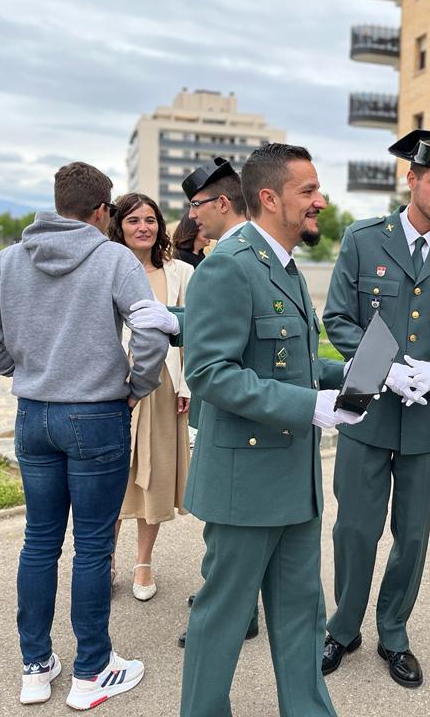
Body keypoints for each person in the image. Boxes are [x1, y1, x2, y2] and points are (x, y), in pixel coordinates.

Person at [0, 162, 169, 709]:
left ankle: (35, 667)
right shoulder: (113, 257)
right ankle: (92, 670)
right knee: (93, 546)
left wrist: (25, 371)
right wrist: (138, 384)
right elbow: (150, 329)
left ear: (57, 203)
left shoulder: (9, 259)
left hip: (34, 414)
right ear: (103, 212)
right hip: (96, 414)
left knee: (39, 541)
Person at [178, 143, 364, 717]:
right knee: (224, 617)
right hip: (244, 481)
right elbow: (209, 372)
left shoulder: (281, 264)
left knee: (302, 613)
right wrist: (311, 405)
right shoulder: (229, 266)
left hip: (293, 481)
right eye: (307, 191)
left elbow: (290, 365)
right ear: (268, 197)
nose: (320, 201)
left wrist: (354, 374)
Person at [320, 129, 430, 689]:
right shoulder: (364, 240)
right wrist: (382, 365)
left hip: (426, 417)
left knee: (412, 535)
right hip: (367, 412)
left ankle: (394, 632)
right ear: (410, 179)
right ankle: (343, 628)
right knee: (355, 531)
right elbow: (338, 318)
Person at [171, 157, 261, 649]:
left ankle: (228, 611)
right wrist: (172, 319)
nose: (192, 218)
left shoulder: (232, 257)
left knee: (226, 521)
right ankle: (231, 601)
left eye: (197, 206)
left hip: (232, 404)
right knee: (222, 519)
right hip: (227, 403)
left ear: (222, 203)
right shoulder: (236, 252)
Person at [107, 193, 195, 602]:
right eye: (132, 221)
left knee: (155, 478)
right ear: (118, 226)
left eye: (150, 220)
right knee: (111, 477)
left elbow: (192, 336)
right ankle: (104, 559)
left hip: (163, 387)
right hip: (113, 386)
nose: (143, 227)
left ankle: (143, 562)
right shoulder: (105, 268)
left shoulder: (179, 272)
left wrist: (187, 385)